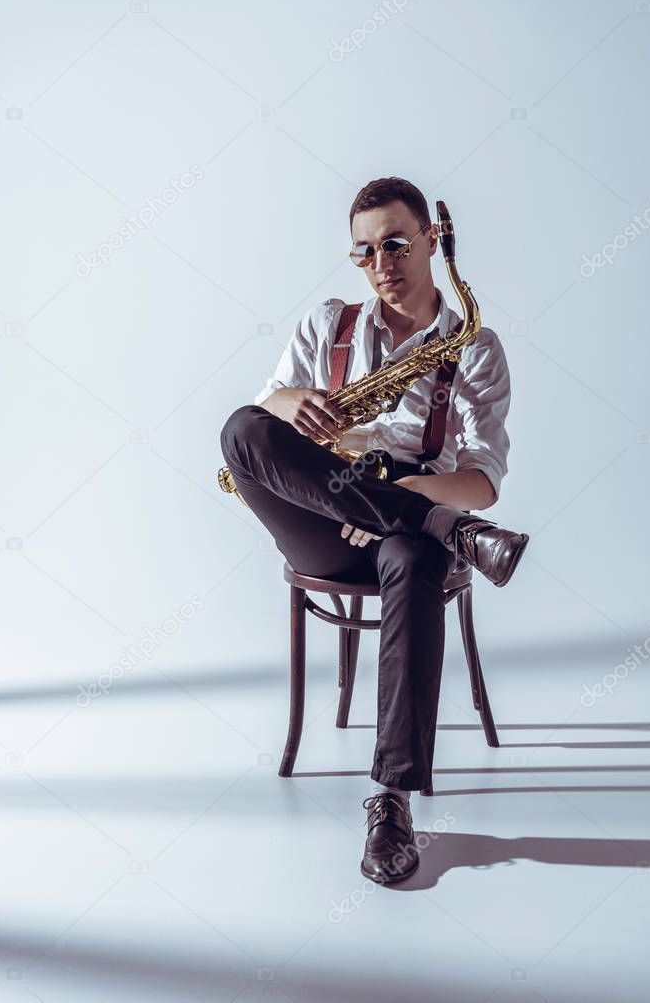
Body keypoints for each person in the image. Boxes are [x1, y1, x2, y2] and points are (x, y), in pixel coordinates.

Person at [220, 176, 528, 885]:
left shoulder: (473, 347)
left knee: (414, 554)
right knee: (240, 427)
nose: (380, 264)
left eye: (394, 243)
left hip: (401, 532)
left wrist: (400, 495)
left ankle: (390, 799)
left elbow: (482, 477)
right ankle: (458, 534)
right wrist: (294, 400)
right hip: (320, 522)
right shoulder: (325, 324)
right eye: (363, 252)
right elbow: (262, 414)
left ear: (430, 241)